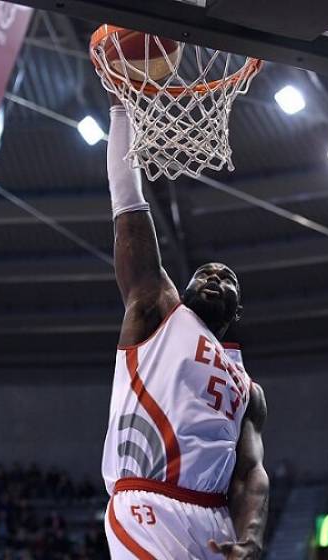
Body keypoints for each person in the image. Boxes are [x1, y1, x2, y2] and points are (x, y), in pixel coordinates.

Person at [101, 95, 269, 559]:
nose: (215, 277)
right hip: (148, 502)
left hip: (215, 520)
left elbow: (251, 472)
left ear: (237, 313)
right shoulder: (157, 309)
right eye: (205, 274)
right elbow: (128, 203)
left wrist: (250, 536)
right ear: (184, 289)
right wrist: (122, 109)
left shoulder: (248, 389)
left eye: (227, 278)